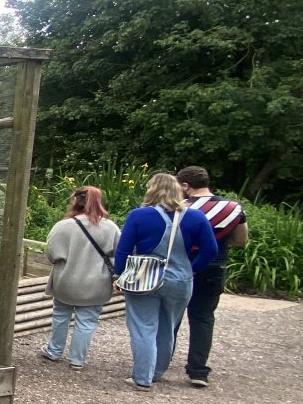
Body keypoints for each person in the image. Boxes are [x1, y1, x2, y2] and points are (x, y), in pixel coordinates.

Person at [113, 173, 218, 390]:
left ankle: (142, 377)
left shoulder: (139, 215)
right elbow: (211, 250)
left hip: (144, 277)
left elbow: (123, 249)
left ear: (152, 189)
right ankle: (157, 372)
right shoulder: (196, 217)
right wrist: (192, 269)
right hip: (180, 279)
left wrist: (119, 275)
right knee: (167, 326)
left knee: (144, 327)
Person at [175, 166, 248, 389]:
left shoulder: (181, 208)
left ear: (186, 186)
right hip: (214, 265)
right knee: (203, 317)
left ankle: (160, 359)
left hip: (181, 264)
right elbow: (241, 240)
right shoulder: (233, 208)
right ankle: (198, 370)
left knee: (171, 314)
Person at [41, 186, 120, 369]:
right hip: (96, 283)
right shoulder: (110, 227)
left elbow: (52, 254)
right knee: (87, 321)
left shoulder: (63, 226)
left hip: (66, 280)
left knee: (61, 315)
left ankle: (54, 351)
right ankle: (77, 360)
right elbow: (118, 254)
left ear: (75, 200)